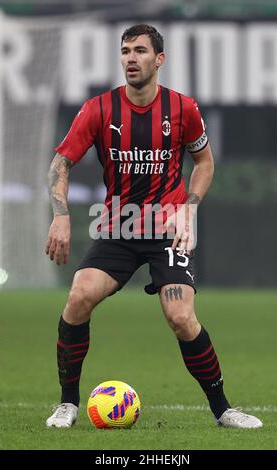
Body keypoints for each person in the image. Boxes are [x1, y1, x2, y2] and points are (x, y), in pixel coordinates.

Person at [45, 24, 262, 429]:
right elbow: (61, 164)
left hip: (167, 228)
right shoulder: (99, 109)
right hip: (120, 228)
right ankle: (67, 404)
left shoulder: (183, 109)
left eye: (140, 51)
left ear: (158, 59)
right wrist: (60, 214)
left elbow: (204, 162)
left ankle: (223, 409)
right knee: (78, 299)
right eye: (125, 50)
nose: (131, 58)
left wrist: (190, 208)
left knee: (180, 316)